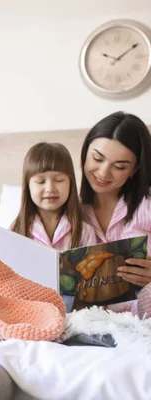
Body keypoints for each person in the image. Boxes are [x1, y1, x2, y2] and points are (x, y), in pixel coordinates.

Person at [80, 111, 151, 317]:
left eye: (119, 166)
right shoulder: (67, 209)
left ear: (135, 169)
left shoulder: (146, 206)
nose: (103, 173)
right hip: (87, 323)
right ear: (85, 152)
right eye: (97, 158)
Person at [11, 142, 96, 251]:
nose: (50, 188)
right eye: (40, 181)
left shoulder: (85, 231)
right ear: (28, 186)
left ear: (71, 183)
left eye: (59, 180)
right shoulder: (16, 230)